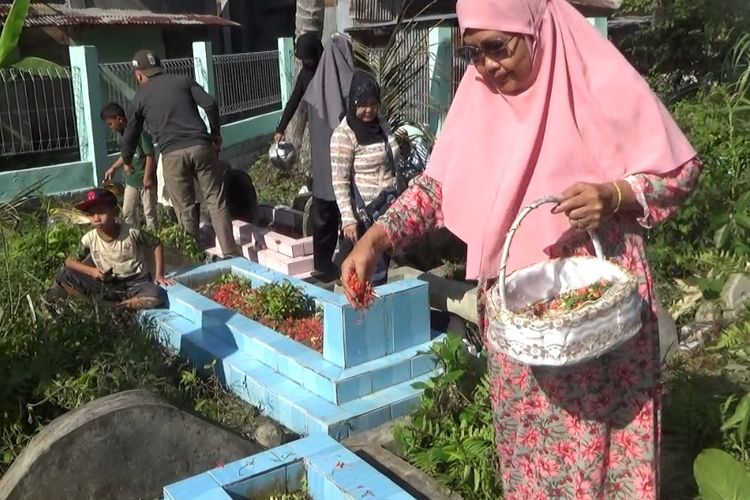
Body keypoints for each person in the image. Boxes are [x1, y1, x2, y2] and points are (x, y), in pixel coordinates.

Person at [341, 0, 702, 498]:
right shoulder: (479, 95)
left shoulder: (593, 76)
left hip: (606, 326)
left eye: (499, 47)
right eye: (475, 52)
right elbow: (437, 188)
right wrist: (374, 238)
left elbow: (680, 173)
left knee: (609, 466)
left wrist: (614, 194)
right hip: (522, 331)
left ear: (534, 29)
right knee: (536, 466)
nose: (487, 66)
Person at [121, 49, 237, 257]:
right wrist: (215, 134)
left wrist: (127, 158)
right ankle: (230, 253)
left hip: (172, 154)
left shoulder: (140, 96)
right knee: (215, 200)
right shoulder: (182, 80)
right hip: (201, 146)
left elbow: (131, 131)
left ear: (138, 74)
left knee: (185, 208)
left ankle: (194, 256)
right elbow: (210, 103)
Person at [50, 188, 174, 310]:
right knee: (65, 275)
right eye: (92, 214)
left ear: (114, 211)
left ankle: (121, 307)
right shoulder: (89, 239)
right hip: (108, 285)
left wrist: (159, 275)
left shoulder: (131, 232)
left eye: (101, 212)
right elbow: (70, 262)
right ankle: (98, 306)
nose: (96, 218)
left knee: (158, 294)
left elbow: (156, 243)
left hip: (136, 283)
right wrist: (91, 271)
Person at [330, 70, 398, 285]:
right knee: (367, 274)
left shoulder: (380, 123)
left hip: (388, 209)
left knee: (384, 269)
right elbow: (340, 181)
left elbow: (392, 157)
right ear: (353, 103)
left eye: (373, 103)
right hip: (365, 216)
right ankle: (366, 313)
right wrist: (349, 219)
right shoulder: (344, 134)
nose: (369, 110)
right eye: (363, 104)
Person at [302, 34, 356, 280]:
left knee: (323, 216)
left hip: (323, 167)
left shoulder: (315, 87)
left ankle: (322, 266)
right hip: (345, 165)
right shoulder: (350, 85)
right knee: (349, 215)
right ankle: (348, 266)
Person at [101, 102, 158, 230]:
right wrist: (114, 167)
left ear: (119, 119)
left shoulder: (139, 134)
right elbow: (126, 155)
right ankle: (131, 238)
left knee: (149, 213)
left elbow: (150, 155)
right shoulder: (122, 136)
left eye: (110, 123)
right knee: (127, 212)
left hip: (145, 182)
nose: (110, 127)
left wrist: (147, 177)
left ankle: (154, 239)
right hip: (131, 181)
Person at [273, 32, 324, 145]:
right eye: (303, 58)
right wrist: (280, 129)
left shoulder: (329, 71)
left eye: (308, 58)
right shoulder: (304, 75)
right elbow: (294, 100)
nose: (305, 62)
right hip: (317, 125)